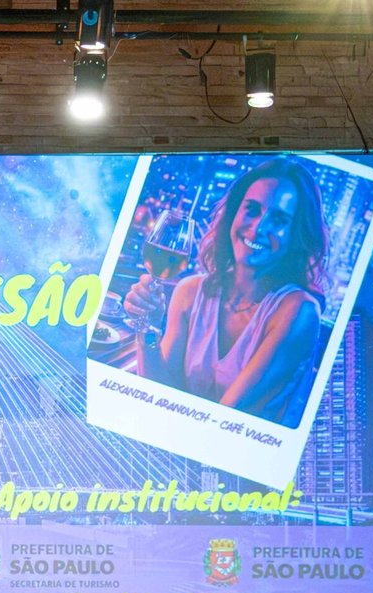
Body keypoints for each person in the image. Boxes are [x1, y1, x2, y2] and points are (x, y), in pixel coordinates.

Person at [125, 156, 327, 427]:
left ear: (296, 235)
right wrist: (147, 325)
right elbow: (157, 393)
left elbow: (223, 423)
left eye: (279, 219)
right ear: (234, 213)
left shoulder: (299, 311)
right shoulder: (189, 291)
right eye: (252, 209)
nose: (259, 228)